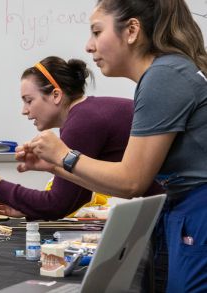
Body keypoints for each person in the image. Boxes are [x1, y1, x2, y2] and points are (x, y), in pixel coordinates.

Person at [19, 0, 207, 291]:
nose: (88, 46)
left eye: (96, 32)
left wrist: (64, 156)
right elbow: (124, 181)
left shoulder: (163, 77)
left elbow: (131, 181)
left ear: (132, 30)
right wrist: (57, 164)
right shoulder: (169, 72)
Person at [0, 56, 162, 220]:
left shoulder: (81, 122)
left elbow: (57, 204)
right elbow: (78, 197)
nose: (24, 110)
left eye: (29, 101)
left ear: (55, 95)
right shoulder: (84, 114)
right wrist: (28, 207)